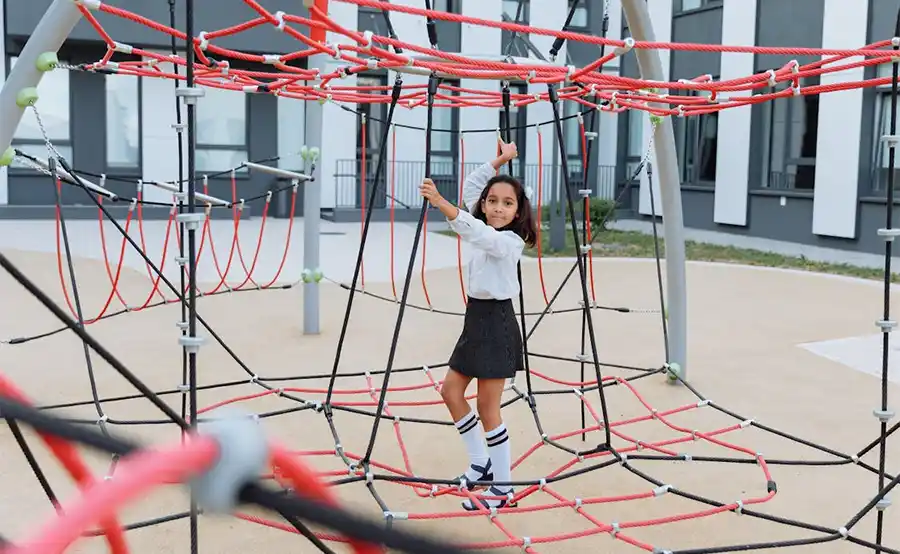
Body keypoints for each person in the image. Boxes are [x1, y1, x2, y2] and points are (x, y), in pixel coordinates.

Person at [418, 139, 537, 511]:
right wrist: (498, 161)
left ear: (519, 212)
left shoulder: (509, 241)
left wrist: (440, 203)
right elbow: (473, 188)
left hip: (498, 321)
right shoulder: (482, 216)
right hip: (476, 319)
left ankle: (503, 489)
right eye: (493, 202)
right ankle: (480, 463)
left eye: (507, 203)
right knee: (450, 392)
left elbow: (477, 232)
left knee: (488, 407)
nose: (498, 208)